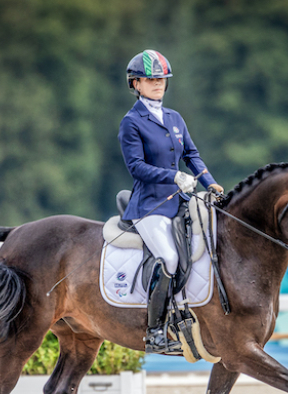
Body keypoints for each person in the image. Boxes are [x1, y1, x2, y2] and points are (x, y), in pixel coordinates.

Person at [118, 49, 224, 353]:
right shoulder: (132, 122)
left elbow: (191, 154)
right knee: (170, 258)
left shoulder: (175, 118)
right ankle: (154, 331)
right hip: (149, 206)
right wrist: (173, 176)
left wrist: (209, 181)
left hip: (179, 202)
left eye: (162, 79)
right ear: (136, 84)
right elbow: (136, 167)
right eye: (151, 79)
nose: (158, 84)